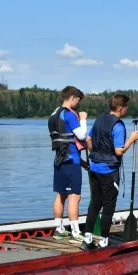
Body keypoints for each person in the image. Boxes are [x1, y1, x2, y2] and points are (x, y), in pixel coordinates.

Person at [80, 94, 138, 250]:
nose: (127, 110)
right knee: (108, 207)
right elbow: (119, 151)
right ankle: (104, 242)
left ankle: (87, 239)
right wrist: (131, 140)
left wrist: (97, 152)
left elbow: (88, 141)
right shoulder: (118, 125)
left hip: (94, 168)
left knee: (94, 204)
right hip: (109, 171)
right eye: (127, 108)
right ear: (120, 108)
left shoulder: (99, 119)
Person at [48, 86, 88, 244]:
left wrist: (83, 162)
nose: (78, 103)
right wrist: (83, 118)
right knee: (74, 197)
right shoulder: (69, 114)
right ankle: (75, 232)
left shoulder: (54, 114)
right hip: (71, 161)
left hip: (59, 159)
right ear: (73, 97)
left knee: (61, 194)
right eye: (78, 100)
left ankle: (59, 229)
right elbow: (82, 135)